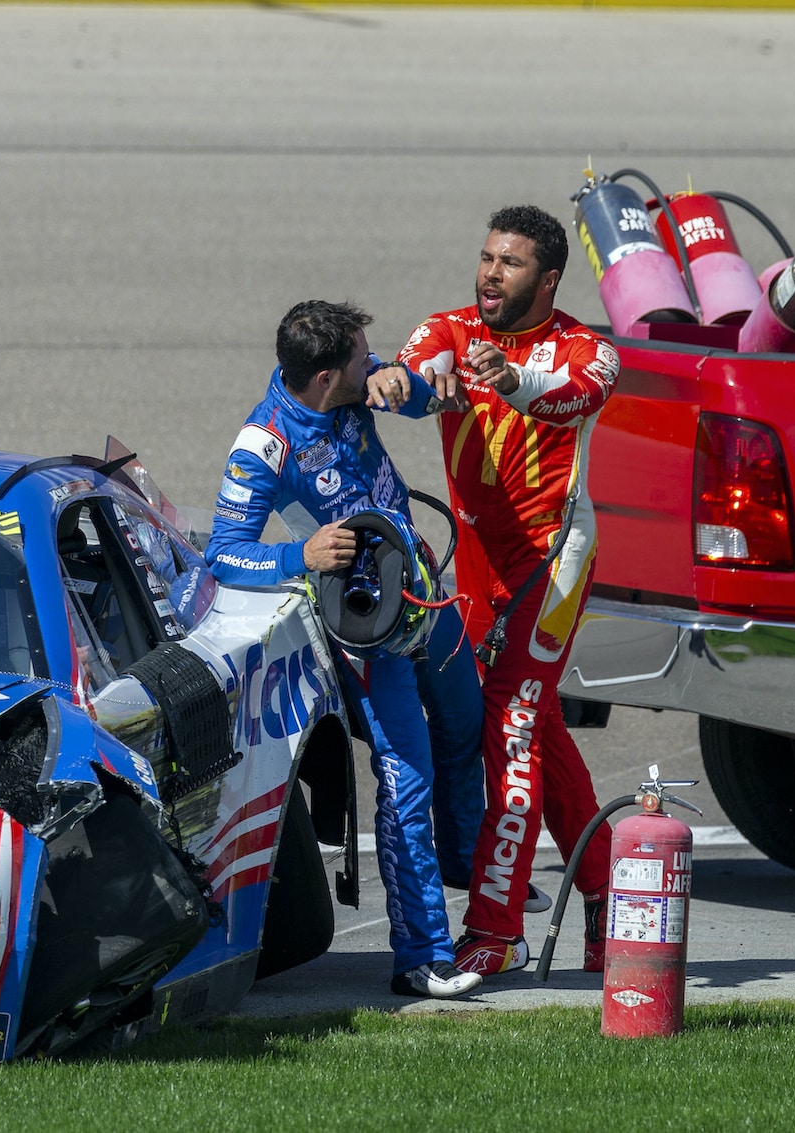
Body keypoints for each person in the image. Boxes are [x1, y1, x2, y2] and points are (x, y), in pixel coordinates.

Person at [205, 299, 487, 998]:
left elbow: (430, 402)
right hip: (369, 628)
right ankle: (421, 953)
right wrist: (297, 556)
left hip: (421, 585)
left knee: (466, 721)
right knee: (406, 774)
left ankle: (465, 867)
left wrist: (405, 382)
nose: (375, 362)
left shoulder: (364, 386)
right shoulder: (262, 444)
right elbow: (222, 555)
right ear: (326, 377)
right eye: (365, 358)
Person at [397, 205, 621, 976]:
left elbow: (570, 397)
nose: (491, 273)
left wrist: (513, 377)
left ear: (548, 279)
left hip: (554, 562)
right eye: (487, 257)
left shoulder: (588, 350)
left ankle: (497, 926)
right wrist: (410, 383)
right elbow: (415, 376)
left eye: (511, 263)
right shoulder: (446, 328)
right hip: (474, 565)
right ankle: (607, 887)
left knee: (513, 723)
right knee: (537, 722)